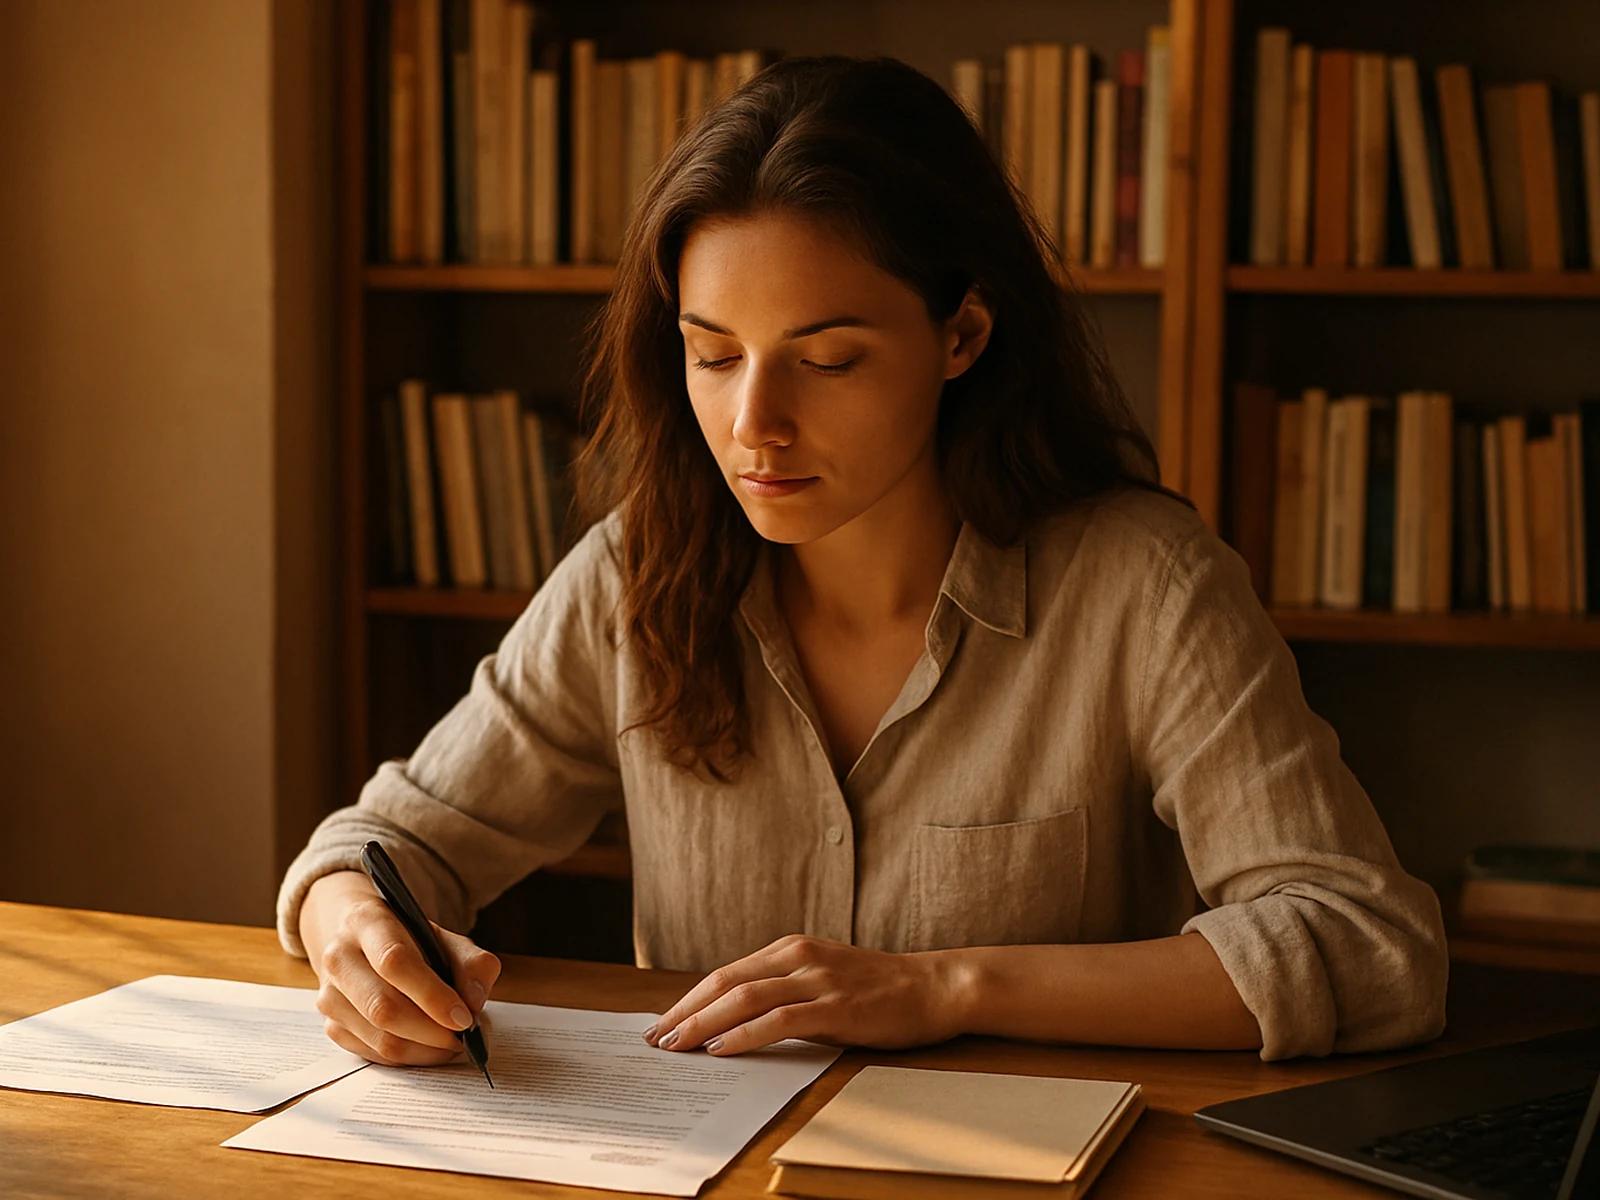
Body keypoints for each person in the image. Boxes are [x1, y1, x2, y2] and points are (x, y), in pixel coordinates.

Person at [281, 55, 1447, 1072]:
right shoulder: (638, 575)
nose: (754, 424)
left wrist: (946, 987)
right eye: (713, 355)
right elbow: (393, 843)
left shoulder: (1141, 585)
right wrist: (357, 929)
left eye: (826, 360)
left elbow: (1366, 943)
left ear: (962, 337)